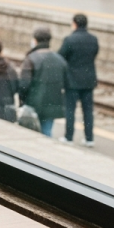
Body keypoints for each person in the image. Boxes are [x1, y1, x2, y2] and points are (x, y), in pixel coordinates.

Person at [19, 26, 69, 138]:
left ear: (35, 40)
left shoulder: (31, 58)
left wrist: (22, 102)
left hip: (33, 104)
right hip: (52, 105)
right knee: (46, 134)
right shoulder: (60, 60)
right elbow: (66, 83)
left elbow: (24, 85)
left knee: (28, 135)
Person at [58, 14, 99, 147]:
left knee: (70, 109)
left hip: (72, 81)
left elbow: (61, 56)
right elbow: (94, 54)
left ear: (75, 23)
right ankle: (89, 139)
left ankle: (69, 137)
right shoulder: (93, 39)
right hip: (88, 80)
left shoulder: (69, 40)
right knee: (88, 111)